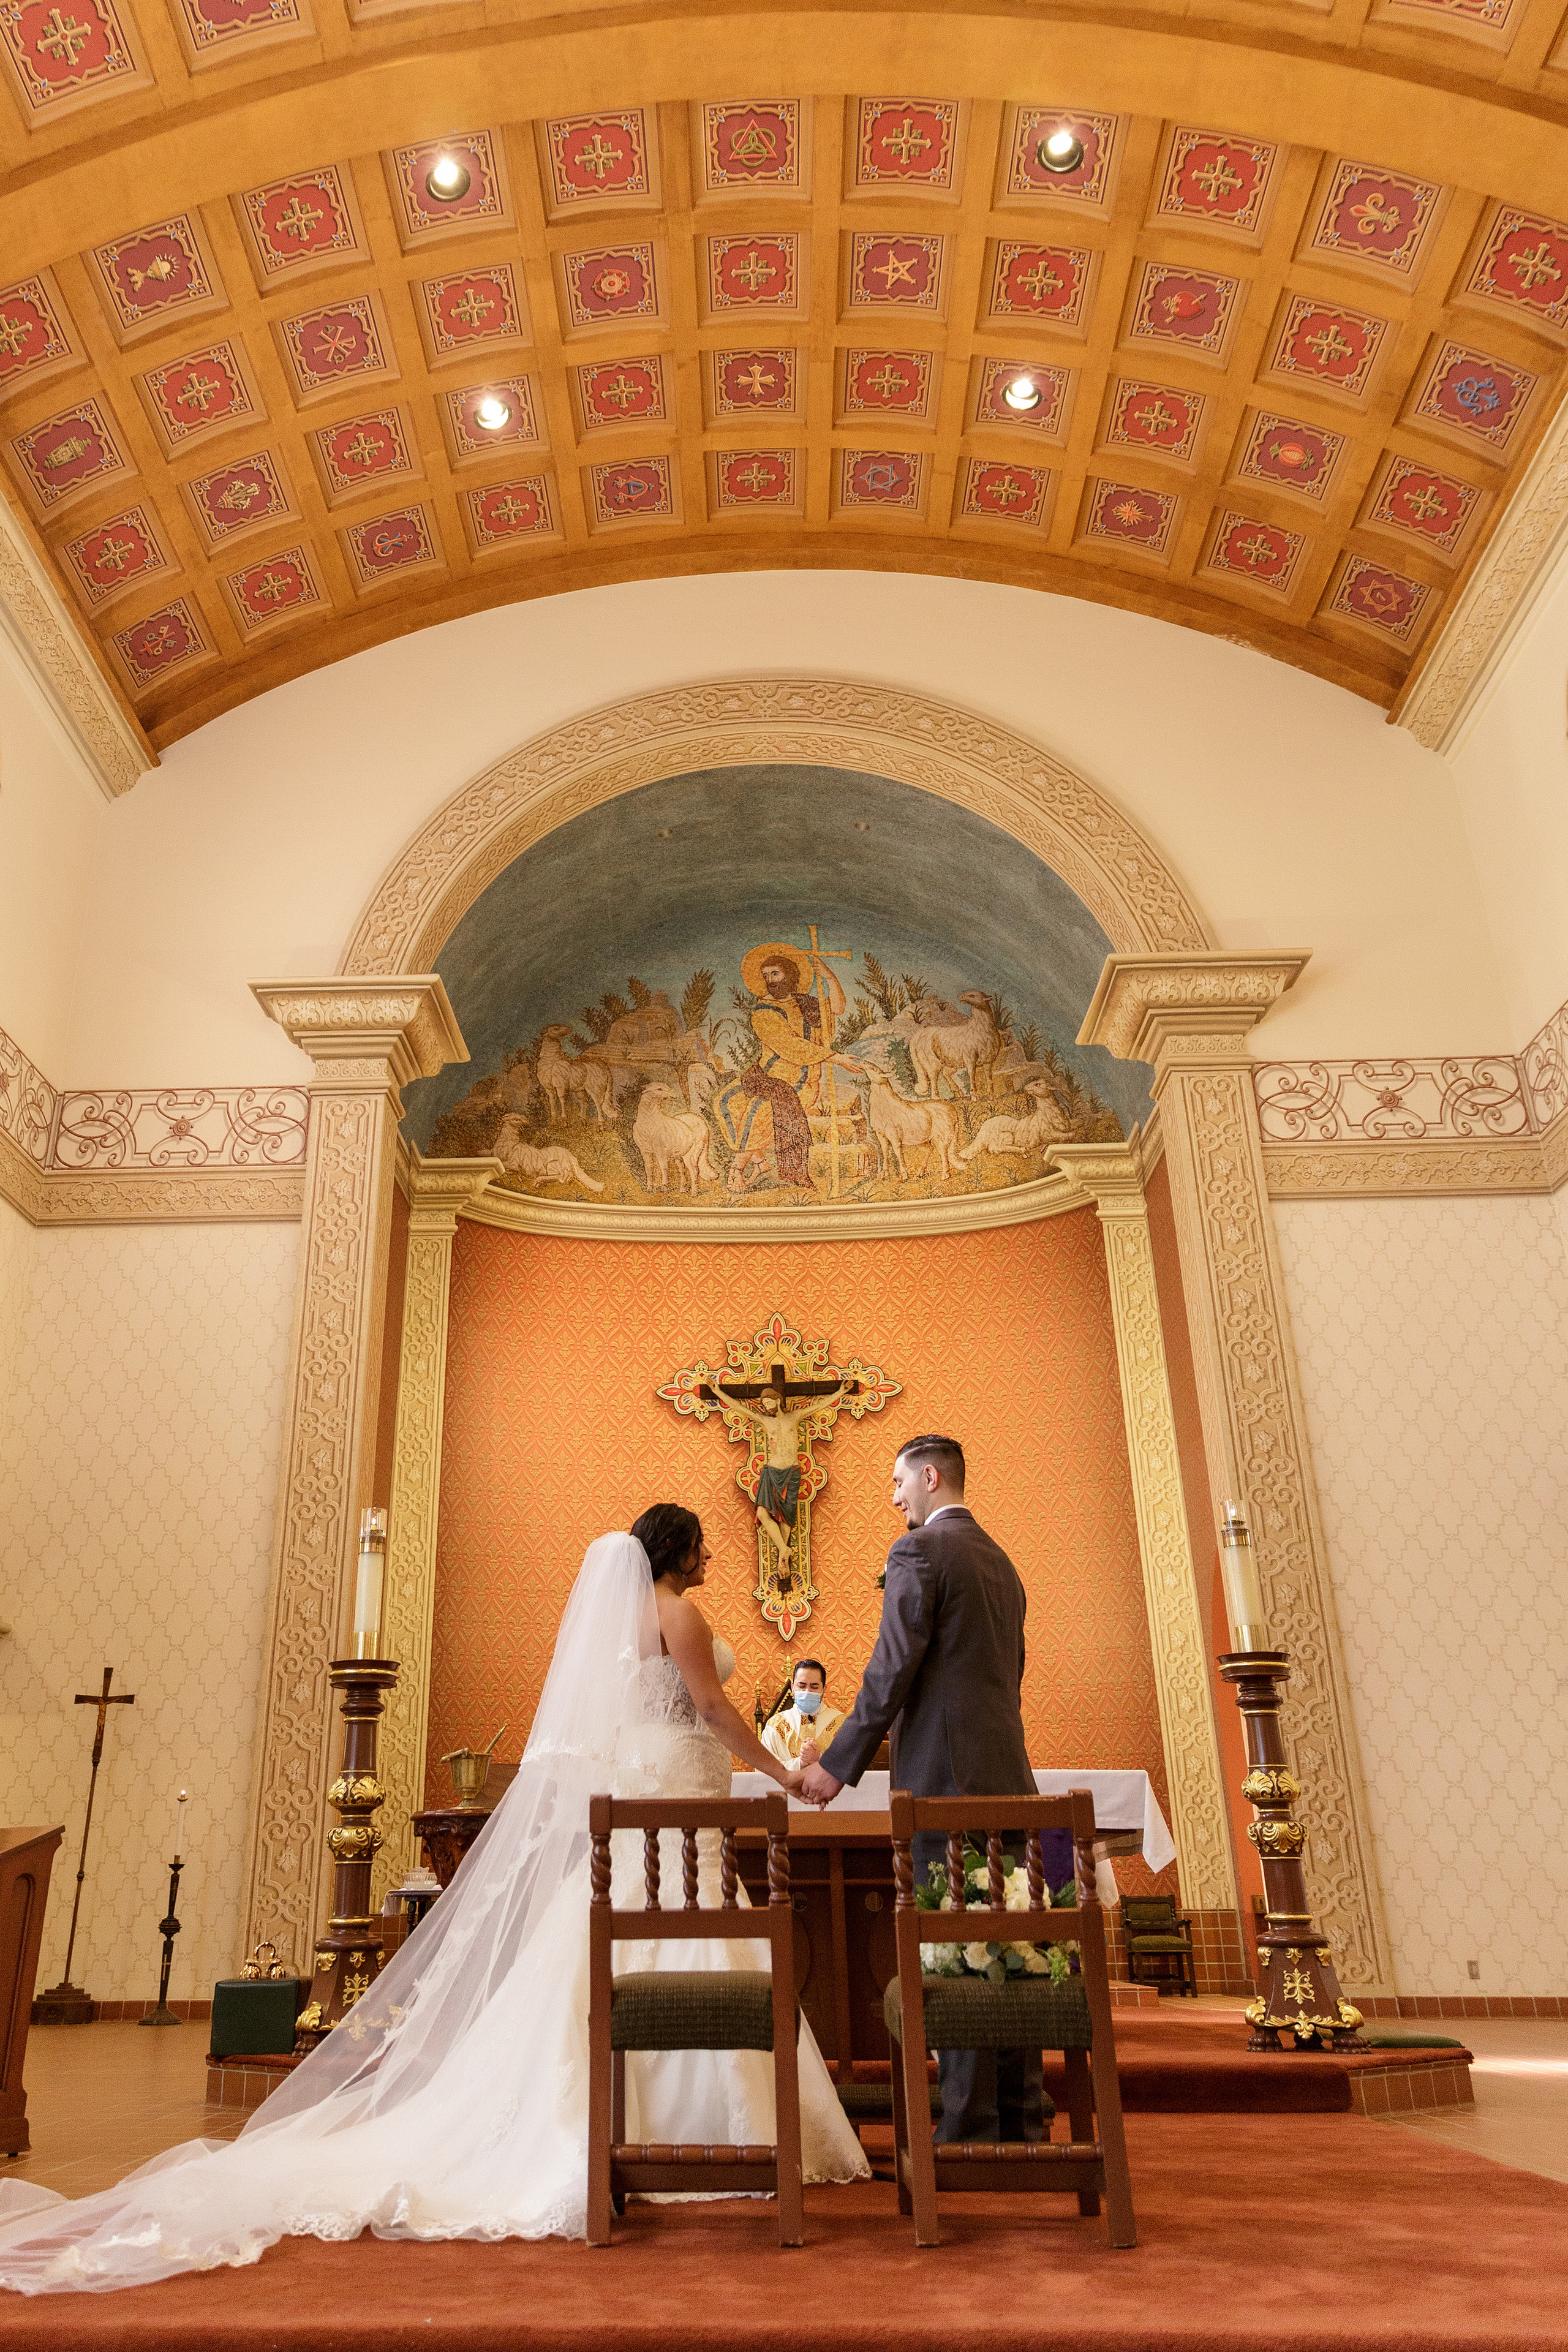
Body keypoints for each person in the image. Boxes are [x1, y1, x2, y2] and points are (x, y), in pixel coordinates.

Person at [0, 1507, 867, 2295]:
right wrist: (784, 1771)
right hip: (682, 1784)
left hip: (645, 1783)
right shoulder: (679, 1613)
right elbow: (712, 1708)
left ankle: (623, 2119)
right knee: (691, 1924)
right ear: (678, 1549)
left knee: (617, 1934)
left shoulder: (623, 1627)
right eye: (702, 1543)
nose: (714, 1552)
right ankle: (714, 2124)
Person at [799, 1435, 1043, 2147]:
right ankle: (1021, 2116)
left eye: (899, 1480)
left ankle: (968, 2125)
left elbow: (893, 1666)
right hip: (1007, 1774)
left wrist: (836, 1766)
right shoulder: (1003, 1562)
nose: (894, 1495)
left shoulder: (919, 1554)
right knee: (1011, 1942)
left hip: (945, 1778)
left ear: (931, 1477)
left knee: (956, 1946)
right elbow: (1011, 1671)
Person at [760, 1658, 846, 1768]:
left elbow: (852, 1767)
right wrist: (800, 1764)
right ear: (792, 1687)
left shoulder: (842, 1724)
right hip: (785, 1786)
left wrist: (819, 1758)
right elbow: (764, 1769)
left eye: (814, 1687)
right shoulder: (774, 1725)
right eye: (801, 1686)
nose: (807, 1692)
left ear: (824, 1690)